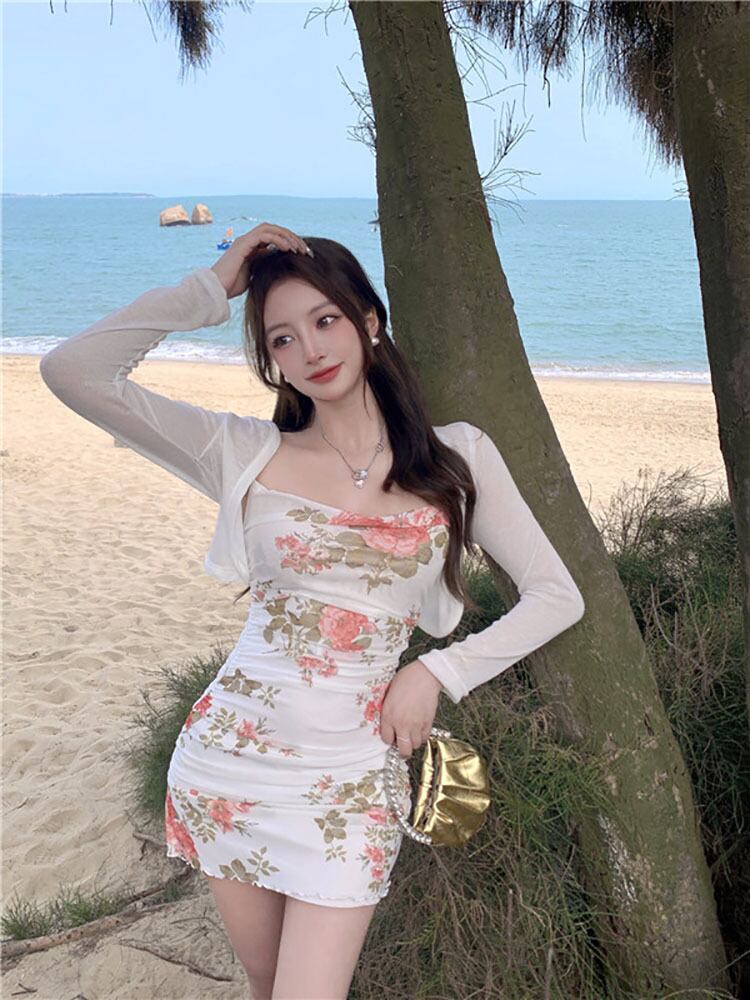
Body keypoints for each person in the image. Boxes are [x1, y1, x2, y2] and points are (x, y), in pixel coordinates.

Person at [39, 222, 585, 999]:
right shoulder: (244, 452)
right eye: (283, 339)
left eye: (326, 320)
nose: (311, 350)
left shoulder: (457, 457)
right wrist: (210, 288)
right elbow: (72, 371)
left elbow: (557, 596)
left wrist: (437, 672)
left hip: (351, 779)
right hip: (229, 764)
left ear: (369, 320)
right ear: (272, 362)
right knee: (267, 984)